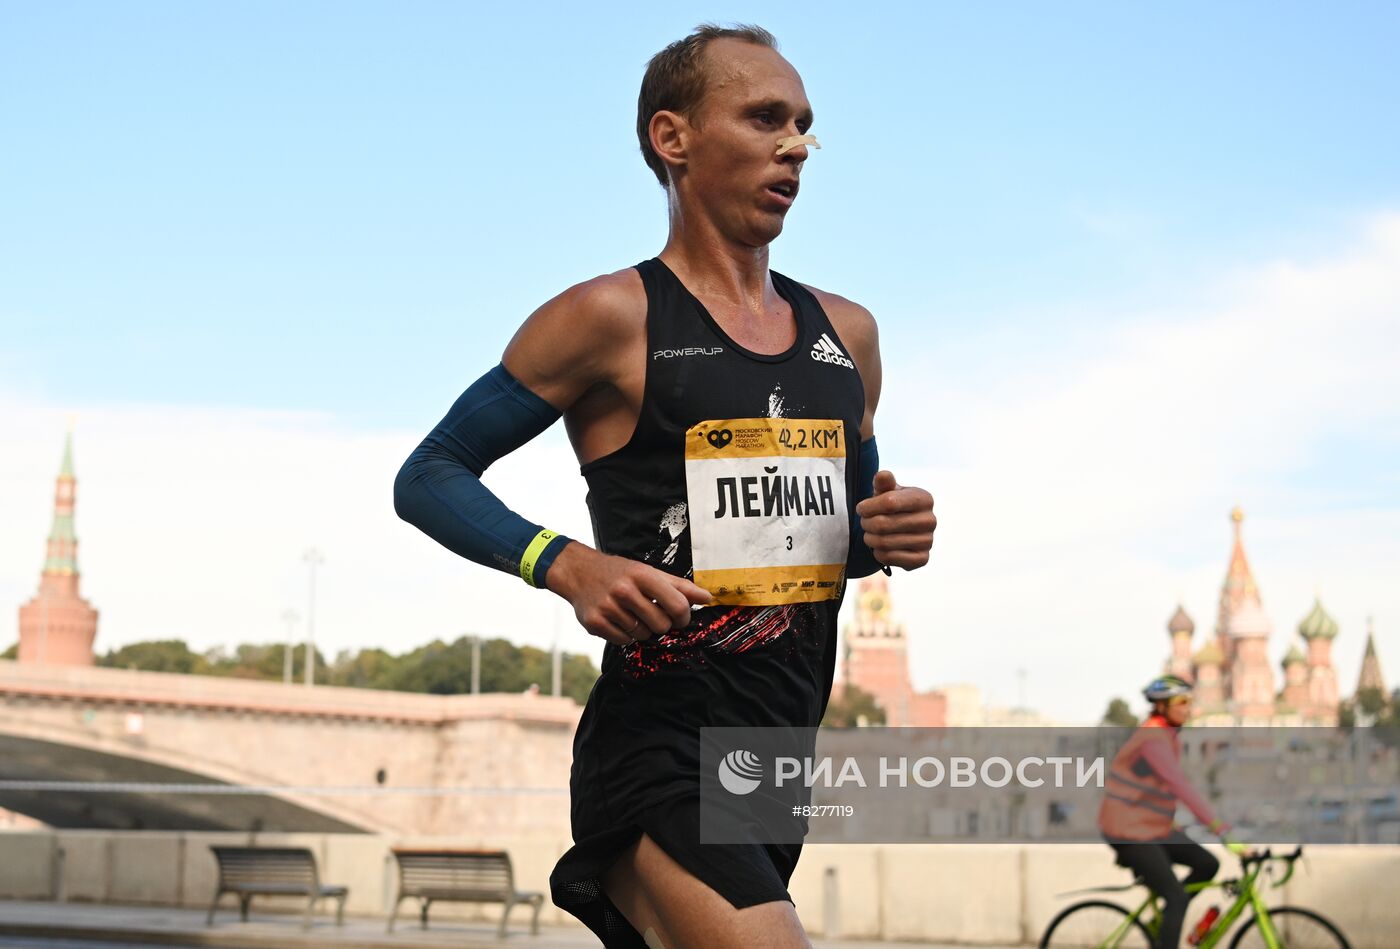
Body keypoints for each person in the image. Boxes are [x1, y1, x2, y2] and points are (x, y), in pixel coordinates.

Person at [394, 23, 936, 948]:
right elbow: (429, 473)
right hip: (660, 746)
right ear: (672, 137)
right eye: (766, 117)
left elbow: (837, 543)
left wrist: (888, 533)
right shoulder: (609, 317)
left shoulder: (850, 333)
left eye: (804, 124)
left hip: (773, 758)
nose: (796, 144)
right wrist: (565, 563)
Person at [1098, 675, 1249, 948]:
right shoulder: (1153, 738)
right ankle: (1170, 921)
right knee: (1177, 897)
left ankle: (1167, 921)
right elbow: (1179, 786)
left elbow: (1157, 793)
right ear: (1161, 706)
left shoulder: (1167, 736)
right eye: (1181, 701)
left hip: (1151, 829)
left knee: (1208, 864)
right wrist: (1222, 830)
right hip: (1128, 833)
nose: (1187, 708)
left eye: (1190, 701)